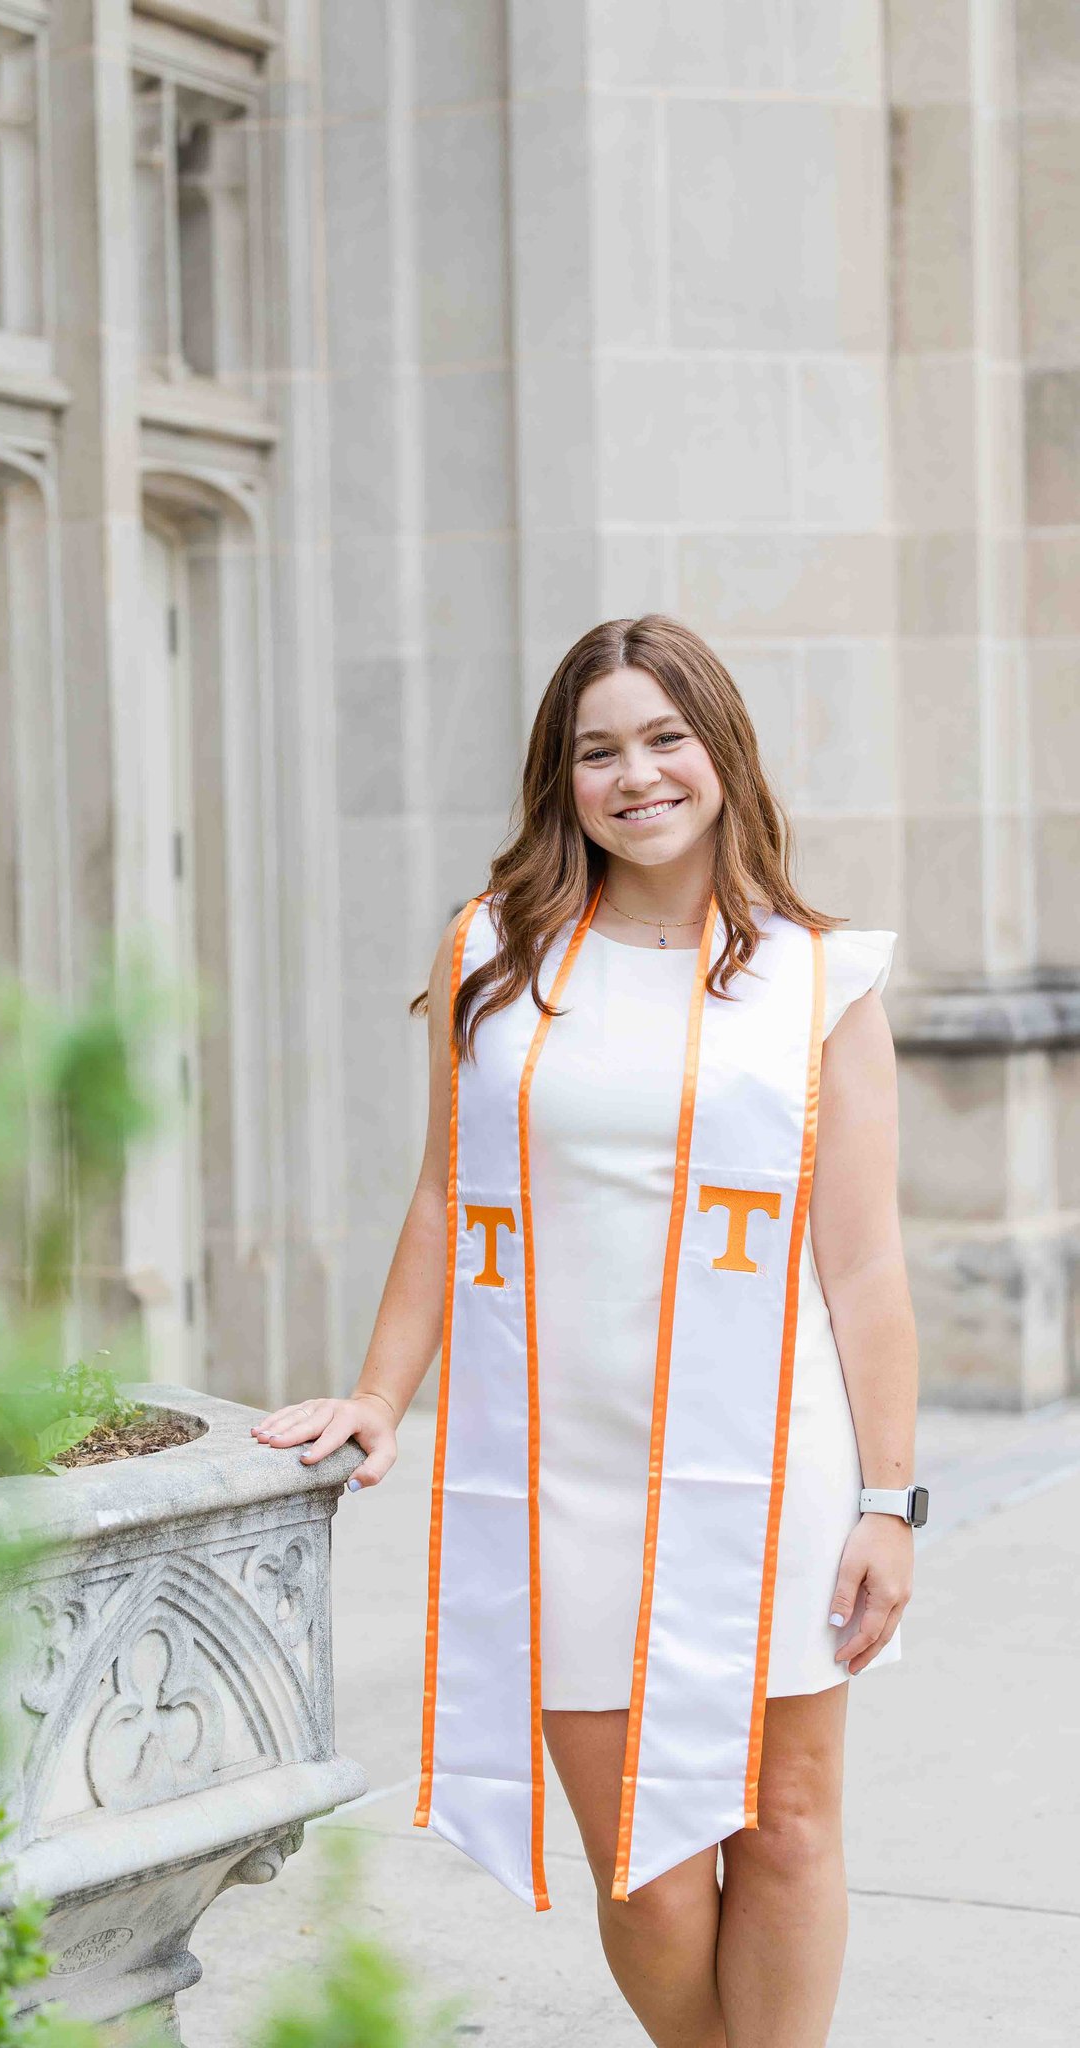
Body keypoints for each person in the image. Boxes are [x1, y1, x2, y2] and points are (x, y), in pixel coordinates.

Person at [252, 615, 920, 2048]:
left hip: (774, 1464)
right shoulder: (495, 956)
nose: (636, 775)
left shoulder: (819, 979)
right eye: (595, 749)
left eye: (664, 737)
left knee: (788, 1829)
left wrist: (886, 1502)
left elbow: (860, 1265)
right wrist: (378, 1393)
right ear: (561, 781)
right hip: (564, 1471)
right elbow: (444, 1196)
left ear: (720, 752)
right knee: (651, 1870)